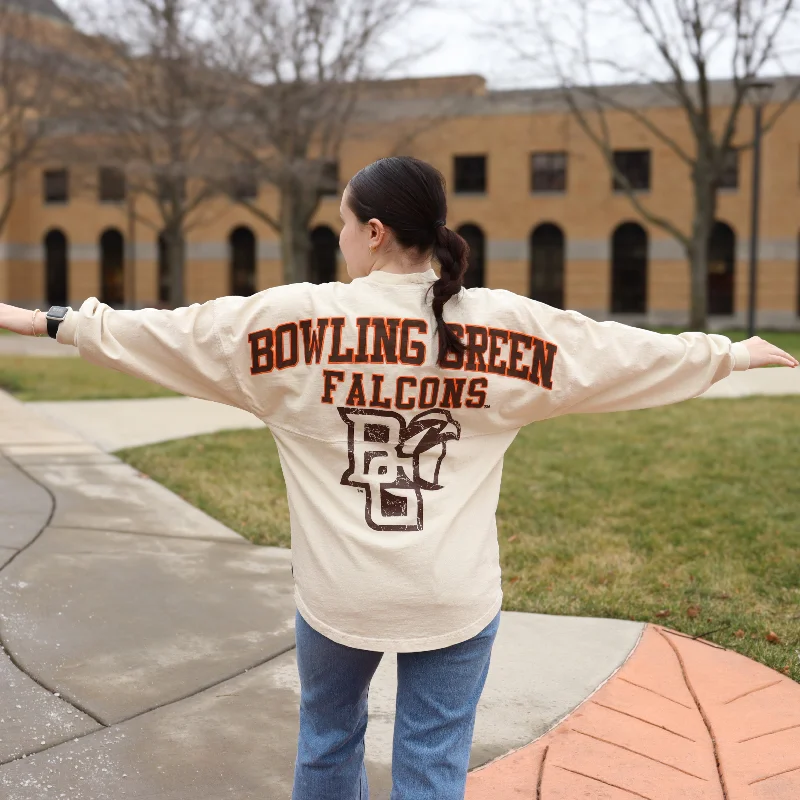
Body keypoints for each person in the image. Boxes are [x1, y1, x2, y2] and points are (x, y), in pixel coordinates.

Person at [0, 155, 797, 800]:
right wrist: (728, 354)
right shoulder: (507, 326)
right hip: (452, 596)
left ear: (374, 232)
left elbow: (169, 335)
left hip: (339, 594)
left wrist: (47, 322)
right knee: (431, 766)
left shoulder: (288, 322)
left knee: (327, 740)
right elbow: (619, 353)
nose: (340, 237)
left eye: (344, 223)